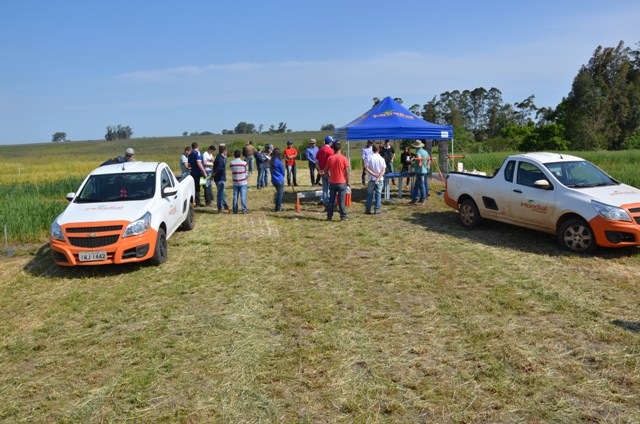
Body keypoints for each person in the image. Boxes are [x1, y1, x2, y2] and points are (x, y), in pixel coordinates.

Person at [323, 142, 350, 222]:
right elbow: (347, 172)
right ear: (340, 149)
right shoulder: (344, 158)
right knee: (341, 201)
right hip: (342, 182)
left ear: (333, 149)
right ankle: (343, 216)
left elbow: (325, 170)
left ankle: (329, 216)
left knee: (331, 200)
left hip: (333, 182)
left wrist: (329, 177)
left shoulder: (330, 158)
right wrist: (347, 181)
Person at [364, 143, 386, 215]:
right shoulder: (382, 159)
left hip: (371, 179)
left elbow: (366, 168)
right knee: (378, 194)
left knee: (370, 194)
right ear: (379, 149)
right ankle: (376, 209)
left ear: (372, 150)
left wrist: (374, 174)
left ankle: (368, 209)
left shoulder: (370, 158)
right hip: (380, 179)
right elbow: (383, 170)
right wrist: (378, 177)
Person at [315, 136, 335, 207]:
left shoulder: (320, 150)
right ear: (330, 142)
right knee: (332, 187)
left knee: (325, 188)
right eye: (332, 142)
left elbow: (316, 162)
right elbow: (333, 161)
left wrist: (320, 170)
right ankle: (331, 202)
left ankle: (325, 202)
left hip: (322, 172)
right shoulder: (331, 151)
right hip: (329, 171)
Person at [188, 142, 208, 207]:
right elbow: (199, 163)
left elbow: (189, 165)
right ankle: (208, 201)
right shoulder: (198, 153)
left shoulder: (190, 154)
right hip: (200, 173)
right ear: (197, 146)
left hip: (193, 173)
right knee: (205, 186)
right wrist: (204, 172)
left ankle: (198, 202)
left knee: (196, 188)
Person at [410, 140, 431, 204]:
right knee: (417, 185)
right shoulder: (425, 151)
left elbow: (419, 159)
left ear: (416, 146)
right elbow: (429, 159)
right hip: (424, 170)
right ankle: (416, 197)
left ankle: (422, 198)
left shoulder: (418, 152)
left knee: (421, 185)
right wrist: (427, 166)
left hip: (420, 171)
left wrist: (415, 160)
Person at [230, 150, 249, 214]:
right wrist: (246, 177)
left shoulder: (231, 163)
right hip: (243, 181)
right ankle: (244, 210)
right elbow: (246, 172)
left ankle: (235, 210)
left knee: (235, 196)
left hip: (235, 181)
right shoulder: (244, 163)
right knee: (243, 196)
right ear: (240, 155)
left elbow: (232, 170)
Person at [213, 145, 230, 212]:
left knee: (222, 192)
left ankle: (225, 205)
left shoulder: (221, 157)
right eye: (226, 150)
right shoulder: (220, 159)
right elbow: (218, 169)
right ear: (224, 151)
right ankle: (220, 208)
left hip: (221, 177)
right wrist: (212, 175)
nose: (226, 151)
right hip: (219, 178)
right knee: (220, 194)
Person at [270, 148, 286, 212]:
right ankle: (278, 208)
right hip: (279, 180)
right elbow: (283, 172)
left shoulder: (271, 161)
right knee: (280, 194)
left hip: (273, 180)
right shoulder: (279, 162)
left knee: (278, 193)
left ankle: (277, 207)